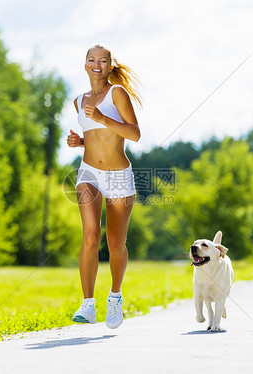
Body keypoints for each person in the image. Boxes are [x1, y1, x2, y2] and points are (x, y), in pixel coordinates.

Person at [67, 45, 142, 329]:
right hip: (89, 173)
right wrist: (80, 143)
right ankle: (88, 304)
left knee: (115, 245)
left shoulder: (117, 94)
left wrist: (102, 118)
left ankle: (115, 296)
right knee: (90, 235)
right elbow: (97, 139)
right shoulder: (79, 100)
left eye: (102, 60)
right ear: (84, 65)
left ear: (110, 66)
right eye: (91, 60)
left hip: (119, 176)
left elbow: (134, 134)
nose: (96, 64)